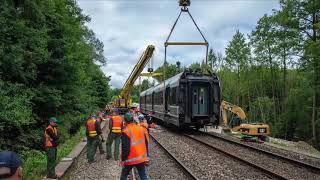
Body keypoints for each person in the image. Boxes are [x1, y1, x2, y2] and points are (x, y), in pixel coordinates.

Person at [120, 113, 149, 180]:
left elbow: (126, 148)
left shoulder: (126, 131)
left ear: (125, 121)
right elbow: (144, 143)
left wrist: (123, 159)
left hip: (130, 159)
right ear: (133, 119)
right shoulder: (141, 128)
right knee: (143, 175)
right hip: (141, 157)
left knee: (124, 175)